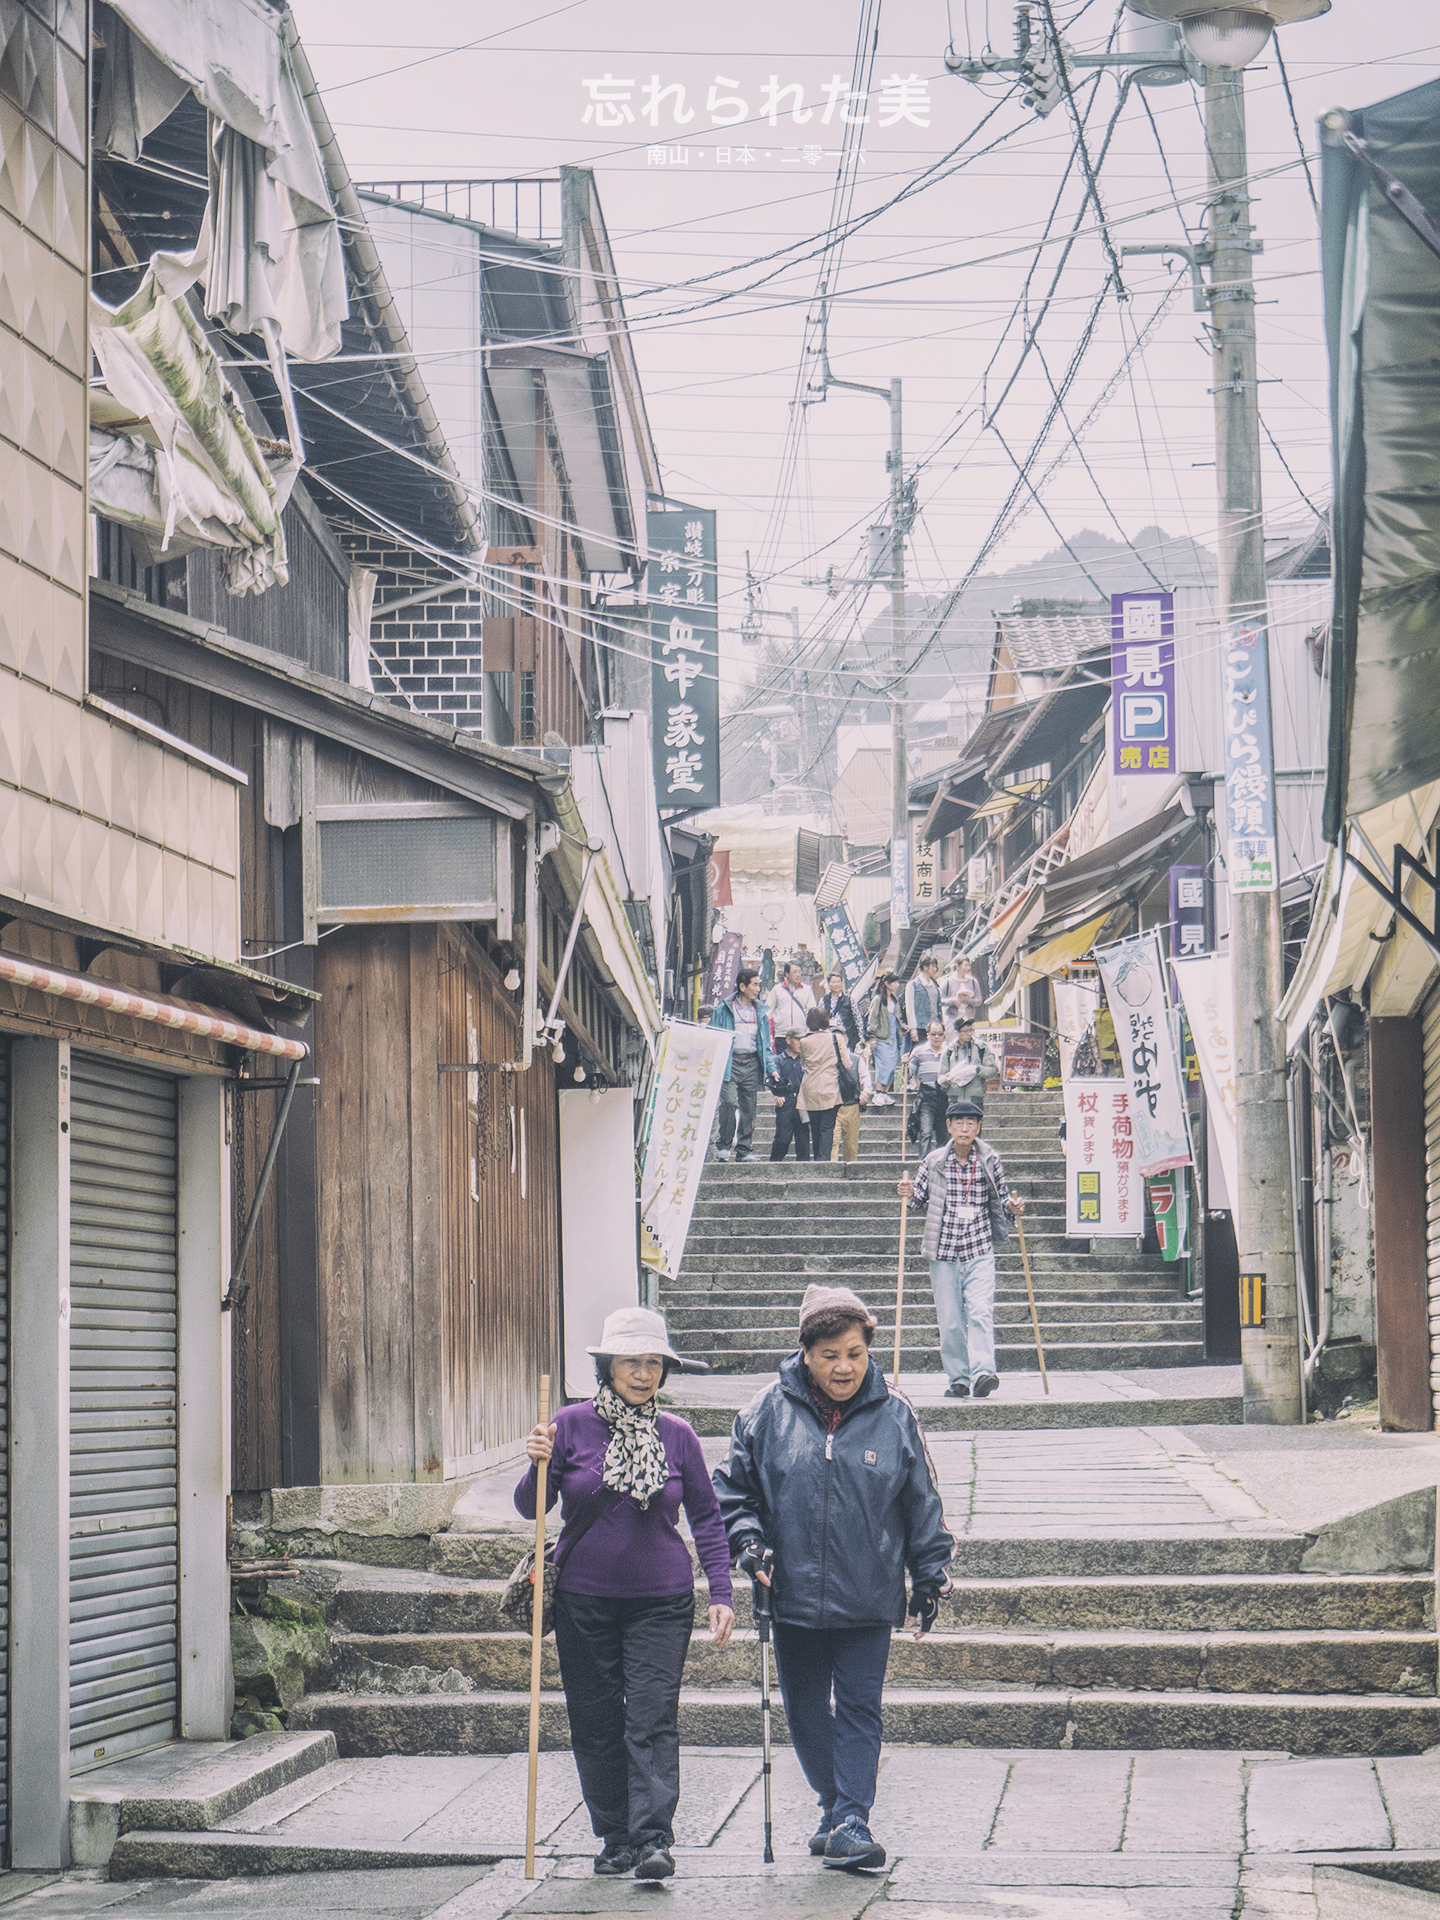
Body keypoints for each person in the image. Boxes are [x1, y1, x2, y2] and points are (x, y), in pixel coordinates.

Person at [712, 1284, 953, 1873]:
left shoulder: (895, 1414)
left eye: (855, 1353)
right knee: (804, 1710)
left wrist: (930, 1576)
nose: (843, 1367)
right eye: (829, 1355)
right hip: (788, 1590)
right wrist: (748, 1541)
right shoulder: (765, 1411)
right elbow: (731, 1492)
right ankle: (833, 1809)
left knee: (861, 1707)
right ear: (806, 1354)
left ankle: (851, 1818)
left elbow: (922, 1501)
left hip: (868, 1591)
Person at [516, 1306, 735, 1882]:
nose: (643, 1374)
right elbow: (532, 1509)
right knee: (594, 1720)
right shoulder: (568, 1426)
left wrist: (722, 1590)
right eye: (631, 1362)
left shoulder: (678, 1435)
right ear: (607, 1366)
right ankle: (614, 1837)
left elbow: (708, 1519)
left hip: (661, 1599)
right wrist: (535, 1463)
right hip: (583, 1599)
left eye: (654, 1363)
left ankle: (653, 1838)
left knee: (651, 1716)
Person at [897, 1100, 1024, 1401]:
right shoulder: (934, 1161)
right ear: (949, 1127)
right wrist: (908, 1192)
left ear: (978, 1127)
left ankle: (982, 1374)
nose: (965, 1127)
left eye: (971, 1122)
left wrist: (1014, 1207)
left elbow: (1003, 1200)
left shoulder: (990, 1159)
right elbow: (917, 1201)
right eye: (959, 1122)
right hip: (943, 1250)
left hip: (979, 1247)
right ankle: (958, 1379)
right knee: (951, 1321)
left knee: (980, 1312)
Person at [710, 969, 775, 1162]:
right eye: (754, 984)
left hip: (752, 1063)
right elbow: (714, 1037)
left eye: (758, 984)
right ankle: (724, 1146)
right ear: (742, 987)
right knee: (729, 1103)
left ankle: (744, 1150)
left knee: (749, 1107)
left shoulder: (760, 1011)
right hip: (730, 1063)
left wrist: (772, 1068)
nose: (758, 988)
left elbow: (766, 1045)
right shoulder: (723, 1010)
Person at [796, 1005, 851, 1164]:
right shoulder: (835, 1038)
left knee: (814, 1127)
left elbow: (803, 1063)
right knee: (827, 1128)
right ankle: (823, 1162)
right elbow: (847, 1064)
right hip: (830, 1087)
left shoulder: (804, 1041)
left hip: (810, 1088)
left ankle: (817, 1159)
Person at [832, 1019, 870, 1177]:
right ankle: (832, 1173)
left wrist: (866, 1091)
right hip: (832, 1106)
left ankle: (850, 1174)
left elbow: (865, 1077)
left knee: (851, 1144)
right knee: (832, 1143)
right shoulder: (827, 1059)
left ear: (846, 1039)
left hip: (852, 1106)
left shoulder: (856, 1059)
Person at [905, 1020, 951, 1153]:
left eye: (939, 1034)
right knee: (925, 1132)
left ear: (944, 1036)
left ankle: (940, 1162)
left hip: (944, 1096)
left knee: (943, 1133)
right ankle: (923, 1163)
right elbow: (908, 1074)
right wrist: (905, 1064)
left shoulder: (949, 1052)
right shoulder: (918, 1051)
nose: (936, 1037)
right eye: (933, 1034)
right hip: (926, 1096)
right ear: (928, 1035)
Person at [768, 1028, 811, 1162]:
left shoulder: (805, 1060)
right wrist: (778, 1093)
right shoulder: (779, 1060)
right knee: (782, 1139)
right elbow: (774, 1080)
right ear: (788, 1040)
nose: (800, 1043)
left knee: (803, 1140)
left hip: (802, 1102)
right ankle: (774, 1163)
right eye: (797, 1039)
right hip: (786, 1102)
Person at [940, 1016, 1001, 1108]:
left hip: (975, 1099)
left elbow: (993, 1071)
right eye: (965, 1031)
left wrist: (978, 1069)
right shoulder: (949, 1050)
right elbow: (940, 1077)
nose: (969, 1033)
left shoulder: (981, 1047)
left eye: (971, 1030)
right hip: (954, 1099)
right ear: (957, 1032)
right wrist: (946, 1080)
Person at [867, 973, 900, 1105]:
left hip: (893, 1037)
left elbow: (897, 1018)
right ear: (887, 983)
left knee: (892, 1066)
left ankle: (885, 1093)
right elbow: (872, 1019)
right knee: (883, 1065)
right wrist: (872, 1036)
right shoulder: (878, 999)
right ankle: (878, 1092)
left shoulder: (894, 999)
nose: (897, 985)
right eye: (895, 982)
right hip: (881, 1038)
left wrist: (903, 1027)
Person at [903, 954, 943, 1053]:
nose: (935, 969)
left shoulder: (935, 985)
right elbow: (910, 1009)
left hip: (934, 1028)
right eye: (933, 966)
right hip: (920, 1028)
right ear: (925, 967)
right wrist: (913, 1029)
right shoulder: (913, 985)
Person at [770, 959, 816, 1042]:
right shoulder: (777, 990)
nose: (798, 975)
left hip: (801, 1034)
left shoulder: (807, 990)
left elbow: (812, 1011)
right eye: (795, 972)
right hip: (782, 1034)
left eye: (799, 972)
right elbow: (769, 1011)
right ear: (787, 974)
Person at [819, 969, 861, 1048]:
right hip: (829, 1037)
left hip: (847, 1036)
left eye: (838, 982)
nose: (836, 984)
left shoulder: (849, 999)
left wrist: (861, 1036)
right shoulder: (824, 1000)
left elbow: (857, 1018)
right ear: (829, 984)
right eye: (833, 982)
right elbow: (819, 1018)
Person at [940, 956, 983, 1029]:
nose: (968, 968)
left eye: (969, 965)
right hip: (952, 1020)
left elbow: (979, 1000)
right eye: (965, 965)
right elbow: (940, 1000)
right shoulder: (947, 982)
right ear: (957, 966)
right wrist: (953, 1001)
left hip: (968, 1019)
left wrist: (967, 1000)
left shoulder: (973, 982)